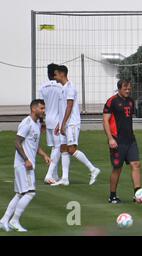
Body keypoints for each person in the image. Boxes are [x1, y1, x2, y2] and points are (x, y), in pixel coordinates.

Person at [0, 99, 51, 232]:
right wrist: (26, 159)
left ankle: (4, 220)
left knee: (19, 194)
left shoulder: (37, 124)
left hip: (25, 164)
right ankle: (14, 220)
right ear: (34, 109)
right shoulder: (26, 123)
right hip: (23, 164)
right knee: (30, 193)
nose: (43, 111)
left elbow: (35, 146)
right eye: (41, 108)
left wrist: (44, 155)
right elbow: (17, 142)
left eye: (44, 108)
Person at [51, 65, 100, 186]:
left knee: (71, 149)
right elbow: (63, 109)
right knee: (63, 148)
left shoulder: (70, 88)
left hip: (72, 124)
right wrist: (59, 124)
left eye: (56, 74)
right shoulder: (63, 88)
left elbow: (69, 106)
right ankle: (65, 178)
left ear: (62, 74)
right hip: (65, 123)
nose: (54, 77)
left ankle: (93, 169)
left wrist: (64, 124)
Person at [103, 80, 142, 204]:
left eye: (129, 89)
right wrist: (110, 138)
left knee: (135, 164)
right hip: (117, 140)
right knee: (117, 168)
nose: (128, 91)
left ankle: (138, 195)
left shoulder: (131, 101)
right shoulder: (112, 101)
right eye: (125, 89)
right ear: (119, 88)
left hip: (130, 139)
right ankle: (112, 195)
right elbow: (105, 121)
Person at [39, 63, 62, 184]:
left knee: (55, 148)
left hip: (48, 120)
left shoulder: (42, 87)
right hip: (58, 121)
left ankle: (55, 175)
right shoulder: (61, 87)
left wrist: (41, 122)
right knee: (58, 148)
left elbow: (41, 106)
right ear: (56, 73)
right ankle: (49, 174)